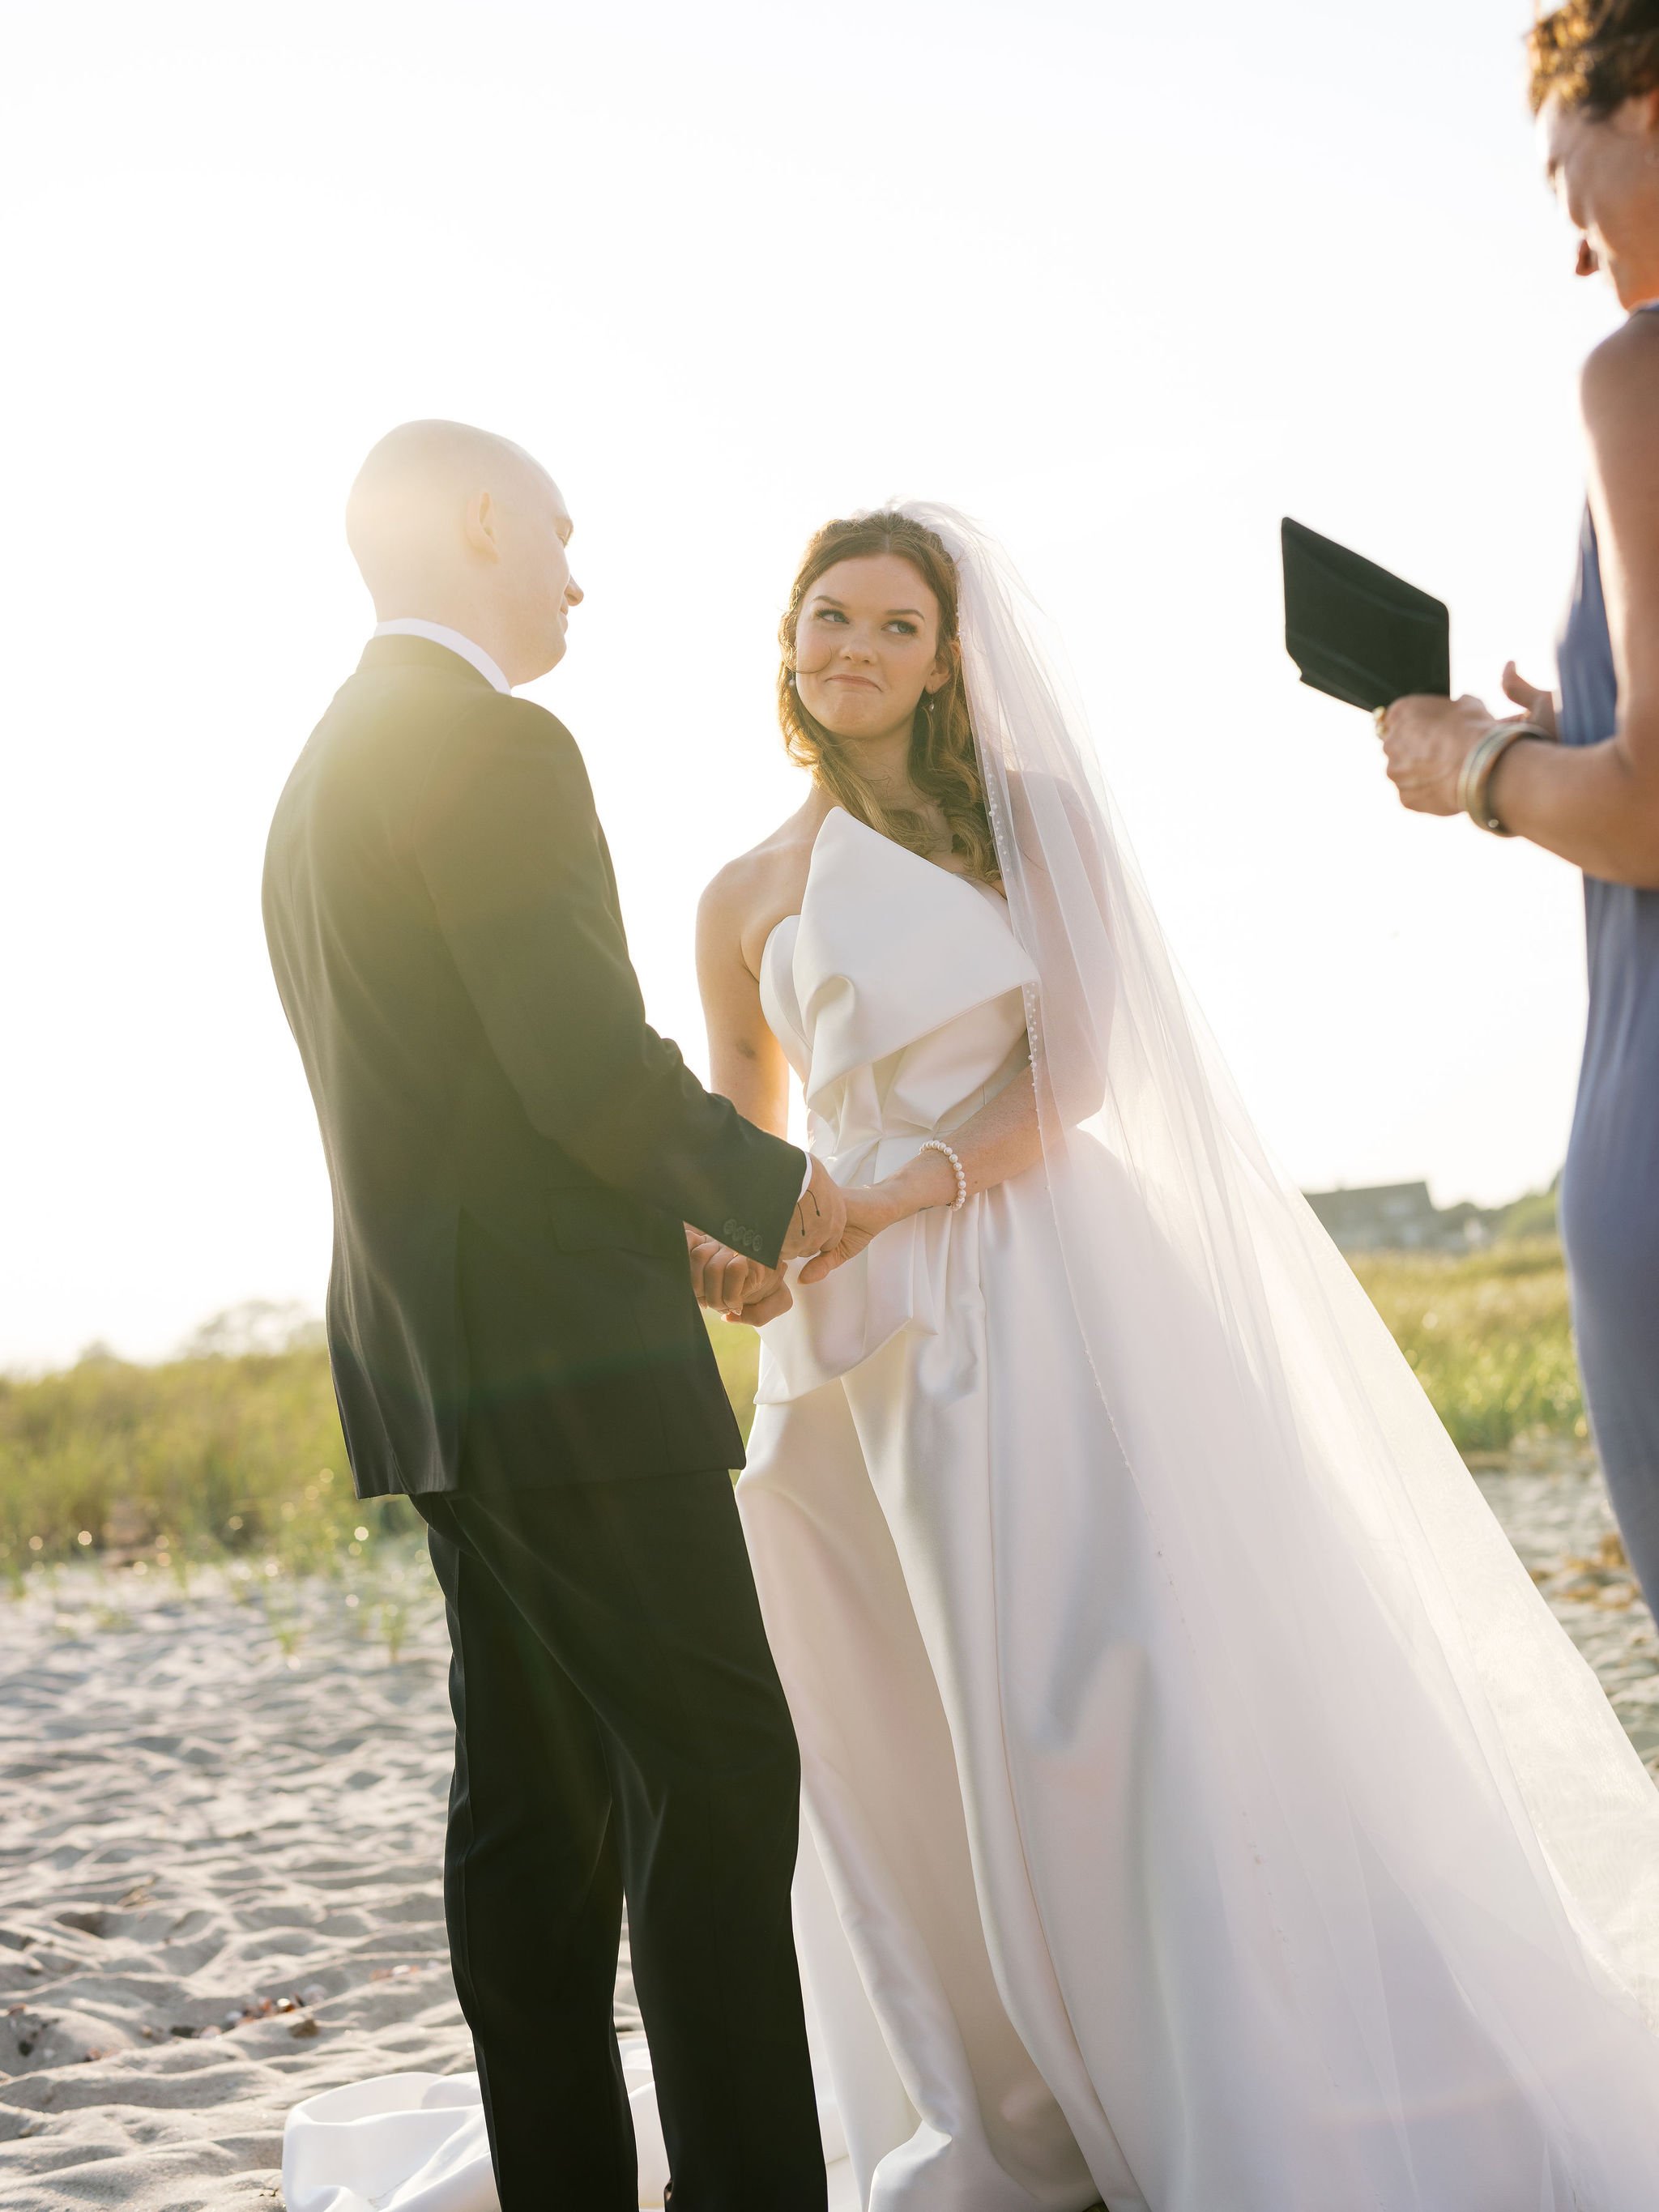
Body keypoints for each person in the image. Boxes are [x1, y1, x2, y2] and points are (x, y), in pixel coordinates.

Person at [690, 503, 1659, 2210]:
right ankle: (1025, 2096)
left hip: (1044, 1287)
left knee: (1119, 1682)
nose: (850, 644)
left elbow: (1076, 1075)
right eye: (825, 614)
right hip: (861, 1352)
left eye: (894, 625)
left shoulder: (1027, 823)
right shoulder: (744, 894)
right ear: (788, 639)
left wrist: (897, 1189)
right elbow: (737, 1145)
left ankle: (1226, 2079)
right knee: (936, 1728)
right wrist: (741, 1255)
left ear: (946, 663)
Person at [263, 419, 844, 2212]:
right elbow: (578, 1059)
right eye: (566, 535)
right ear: (487, 522)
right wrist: (772, 1191)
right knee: (718, 1765)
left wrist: (643, 1223)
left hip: (432, 1358)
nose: (580, 577)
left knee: (536, 1797)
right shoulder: (496, 746)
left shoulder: (318, 773)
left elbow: (458, 1095)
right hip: (568, 1375)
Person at [1380, 2, 1659, 1603]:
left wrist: (1473, 766)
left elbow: (1642, 818)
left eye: (1572, 190)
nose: (1576, 255)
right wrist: (1591, 723)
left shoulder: (1636, 374)